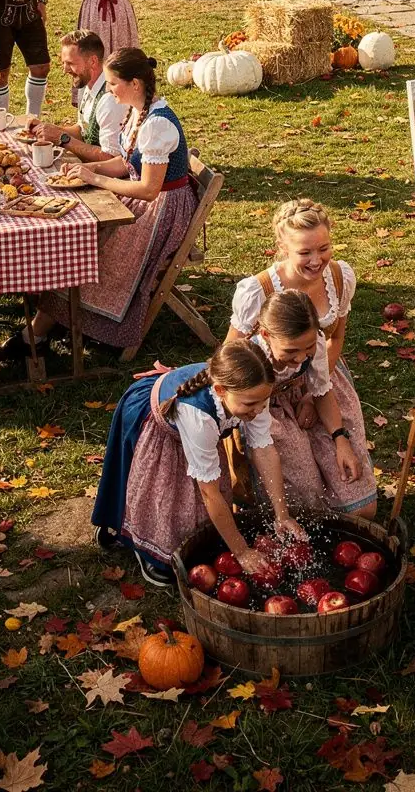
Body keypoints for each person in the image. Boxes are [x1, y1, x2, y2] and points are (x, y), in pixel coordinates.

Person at [0, 48, 196, 358]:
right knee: (77, 230)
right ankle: (54, 322)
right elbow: (126, 163)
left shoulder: (157, 124)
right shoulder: (137, 111)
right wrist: (89, 169)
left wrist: (97, 180)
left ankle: (43, 332)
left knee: (94, 249)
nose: (109, 89)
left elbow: (147, 188)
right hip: (143, 197)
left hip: (162, 212)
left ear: (135, 84)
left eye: (114, 83)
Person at [92, 341, 306, 586]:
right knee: (160, 495)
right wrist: (242, 552)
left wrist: (282, 514)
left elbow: (265, 451)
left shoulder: (254, 393)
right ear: (221, 390)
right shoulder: (199, 416)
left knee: (200, 516)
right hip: (155, 422)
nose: (258, 410)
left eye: (262, 402)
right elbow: (209, 492)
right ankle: (144, 548)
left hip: (200, 429)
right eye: (250, 405)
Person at [227, 198, 376, 516]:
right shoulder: (258, 291)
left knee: (361, 510)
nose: (316, 260)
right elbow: (231, 353)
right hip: (271, 396)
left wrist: (311, 394)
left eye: (323, 248)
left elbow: (335, 338)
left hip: (325, 383)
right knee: (304, 505)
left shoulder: (339, 277)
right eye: (305, 252)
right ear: (282, 246)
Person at [247, 289, 374, 517]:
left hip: (304, 398)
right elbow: (259, 434)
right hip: (266, 417)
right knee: (304, 495)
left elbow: (322, 393)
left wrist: (340, 440)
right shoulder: (254, 362)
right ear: (266, 335)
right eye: (291, 351)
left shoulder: (313, 344)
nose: (300, 358)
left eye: (308, 348)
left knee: (362, 509)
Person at [28, 31, 126, 162]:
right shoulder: (89, 83)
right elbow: (83, 130)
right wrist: (49, 130)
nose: (65, 70)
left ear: (92, 61)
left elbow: (111, 159)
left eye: (70, 63)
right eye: (64, 63)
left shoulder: (110, 101)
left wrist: (62, 139)